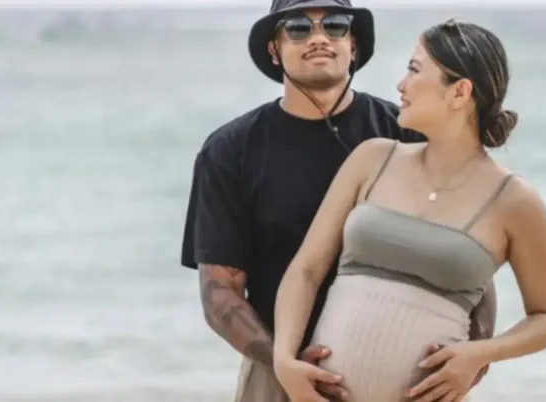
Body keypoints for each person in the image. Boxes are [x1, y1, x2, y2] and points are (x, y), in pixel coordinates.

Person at [179, 1, 498, 401]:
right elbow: (219, 293)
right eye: (297, 28)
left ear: (354, 45)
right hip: (283, 380)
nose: (318, 38)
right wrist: (285, 361)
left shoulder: (410, 136)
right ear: (273, 49)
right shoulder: (230, 151)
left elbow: (471, 263)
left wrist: (473, 360)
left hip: (416, 385)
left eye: (334, 26)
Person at [272, 18, 546, 402]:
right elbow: (307, 270)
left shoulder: (516, 202)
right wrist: (284, 362)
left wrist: (477, 355)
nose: (401, 85)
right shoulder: (372, 159)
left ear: (459, 92)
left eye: (414, 70)